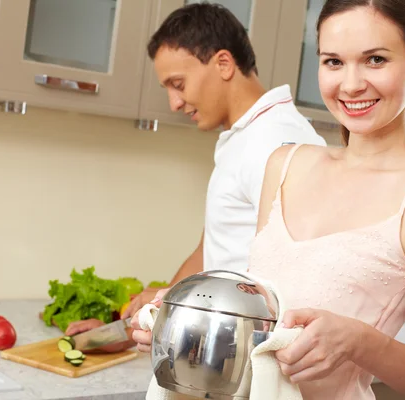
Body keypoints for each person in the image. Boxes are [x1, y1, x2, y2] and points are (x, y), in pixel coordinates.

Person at [133, 1, 405, 399]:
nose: (350, 84)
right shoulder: (285, 165)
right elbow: (262, 326)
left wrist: (360, 342)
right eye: (333, 62)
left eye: (375, 60)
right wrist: (182, 319)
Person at [66, 3, 325, 338]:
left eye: (178, 83)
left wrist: (168, 307)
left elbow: (297, 271)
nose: (174, 102)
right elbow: (211, 251)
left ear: (223, 63)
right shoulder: (243, 136)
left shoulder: (276, 142)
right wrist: (131, 326)